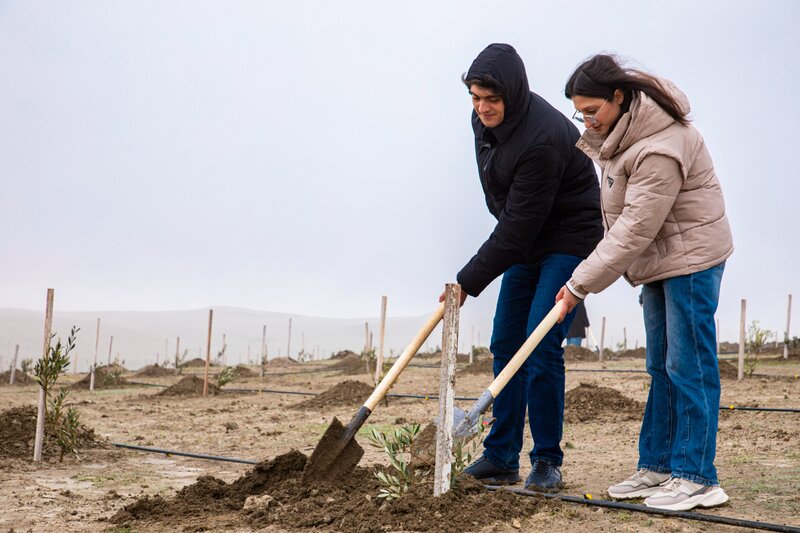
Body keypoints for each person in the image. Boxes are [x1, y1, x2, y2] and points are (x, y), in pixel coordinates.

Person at [556, 54, 733, 511]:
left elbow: (634, 226)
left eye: (592, 110)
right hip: (658, 260)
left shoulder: (662, 144)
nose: (587, 120)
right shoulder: (620, 136)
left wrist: (580, 284)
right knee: (660, 366)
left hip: (691, 260)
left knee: (688, 366)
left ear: (619, 97)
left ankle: (697, 477)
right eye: (581, 113)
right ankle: (657, 465)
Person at [443, 43, 603, 493]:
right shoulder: (482, 121)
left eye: (491, 99)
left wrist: (467, 281)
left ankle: (547, 460)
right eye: (475, 98)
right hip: (526, 235)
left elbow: (517, 226)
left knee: (540, 340)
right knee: (506, 340)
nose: (482, 108)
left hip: (569, 235)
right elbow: (505, 205)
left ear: (512, 94)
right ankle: (500, 455)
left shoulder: (543, 136)